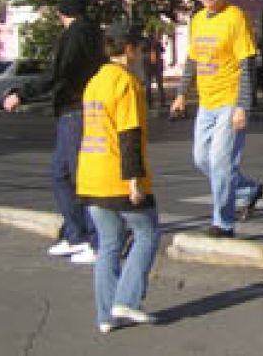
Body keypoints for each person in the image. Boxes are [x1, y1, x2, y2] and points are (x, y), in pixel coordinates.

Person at [2, 0, 105, 264]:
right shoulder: (91, 32)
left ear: (62, 12)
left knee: (79, 177)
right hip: (76, 109)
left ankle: (95, 240)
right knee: (62, 174)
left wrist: (22, 94)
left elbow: (58, 73)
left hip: (75, 109)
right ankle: (76, 235)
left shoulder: (75, 35)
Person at [77, 21, 159, 334]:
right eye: (139, 47)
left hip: (91, 175)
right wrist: (134, 181)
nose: (141, 53)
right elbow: (129, 135)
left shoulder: (94, 82)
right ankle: (127, 299)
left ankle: (106, 315)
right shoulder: (127, 83)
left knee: (109, 244)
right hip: (118, 176)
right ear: (129, 49)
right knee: (147, 232)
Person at [170, 0, 263, 236]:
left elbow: (247, 64)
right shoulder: (198, 19)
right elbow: (193, 59)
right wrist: (181, 94)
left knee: (221, 162)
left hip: (230, 101)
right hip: (207, 102)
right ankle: (246, 189)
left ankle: (223, 222)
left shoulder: (235, 18)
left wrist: (242, 106)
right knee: (202, 158)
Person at [142, 32, 166, 108]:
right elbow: (163, 50)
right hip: (156, 65)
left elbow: (143, 51)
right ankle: (162, 101)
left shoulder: (145, 44)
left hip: (148, 65)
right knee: (159, 84)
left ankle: (149, 102)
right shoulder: (157, 43)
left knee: (149, 84)